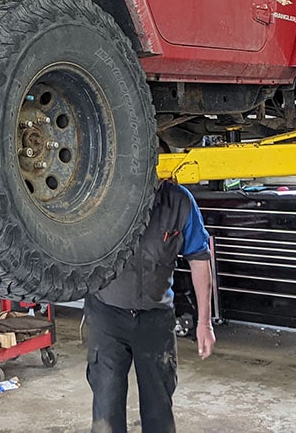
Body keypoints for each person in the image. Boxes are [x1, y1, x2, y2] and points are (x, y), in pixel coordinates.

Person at [84, 180, 213, 433]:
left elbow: (199, 259)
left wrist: (204, 323)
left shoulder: (179, 202)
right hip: (107, 313)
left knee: (159, 409)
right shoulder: (100, 196)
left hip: (156, 319)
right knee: (106, 409)